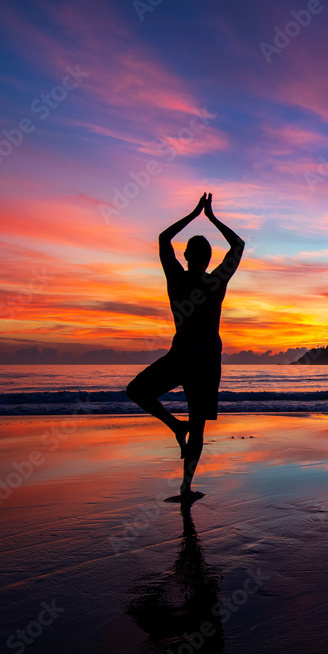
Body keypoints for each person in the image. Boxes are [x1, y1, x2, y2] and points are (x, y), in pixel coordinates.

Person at [126, 192, 244, 502]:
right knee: (197, 425)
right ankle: (184, 480)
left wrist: (195, 214)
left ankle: (180, 450)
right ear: (205, 258)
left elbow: (165, 238)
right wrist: (211, 217)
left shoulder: (176, 279)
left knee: (138, 391)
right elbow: (238, 246)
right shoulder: (215, 282)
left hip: (186, 356)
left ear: (188, 255)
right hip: (203, 359)